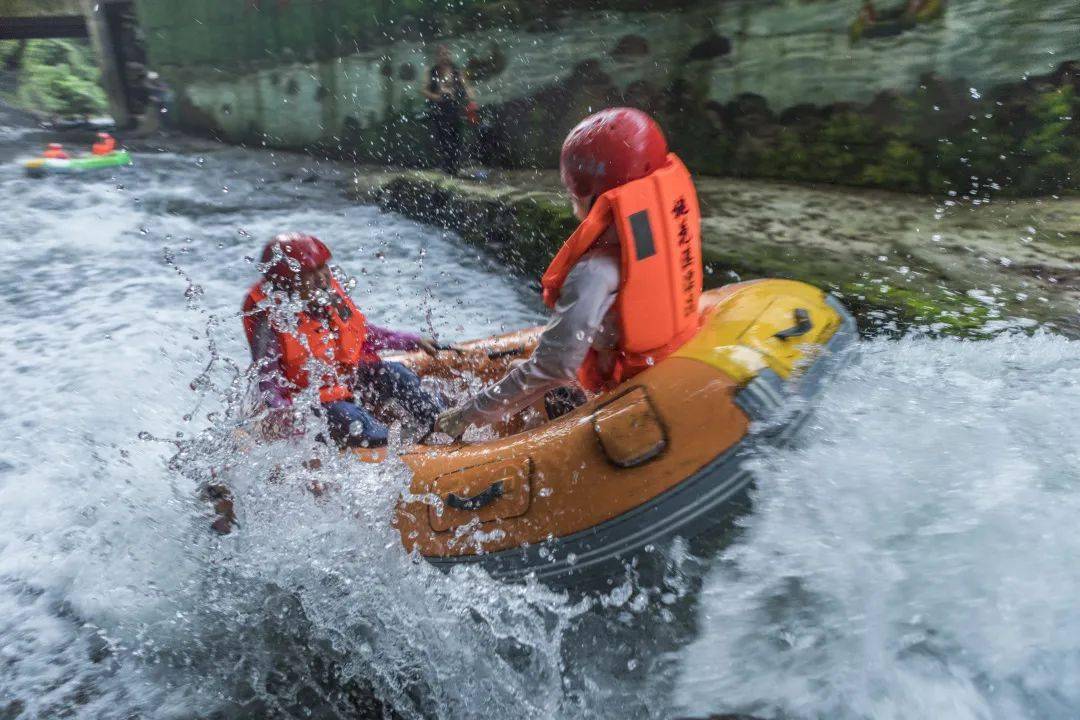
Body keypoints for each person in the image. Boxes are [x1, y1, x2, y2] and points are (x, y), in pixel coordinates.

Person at [435, 107, 703, 438]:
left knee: (526, 377)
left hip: (633, 399)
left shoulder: (594, 272)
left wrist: (465, 415)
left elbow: (553, 368)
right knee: (522, 371)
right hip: (675, 367)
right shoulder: (663, 229)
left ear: (590, 196)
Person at [242, 233, 445, 449]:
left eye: (322, 268)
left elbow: (362, 334)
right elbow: (268, 384)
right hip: (309, 402)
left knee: (396, 373)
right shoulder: (270, 319)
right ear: (286, 283)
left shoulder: (327, 295)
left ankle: (444, 423)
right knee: (348, 416)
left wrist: (412, 341)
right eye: (309, 274)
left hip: (344, 382)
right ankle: (403, 447)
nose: (322, 278)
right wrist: (289, 422)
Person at [421, 44, 477, 176]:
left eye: (446, 54)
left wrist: (472, 101)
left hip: (455, 109)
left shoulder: (457, 71)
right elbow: (423, 90)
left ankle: (455, 166)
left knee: (457, 139)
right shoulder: (431, 71)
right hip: (439, 110)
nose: (444, 57)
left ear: (450, 55)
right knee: (444, 140)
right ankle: (448, 167)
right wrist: (437, 97)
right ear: (437, 57)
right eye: (441, 54)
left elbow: (467, 86)